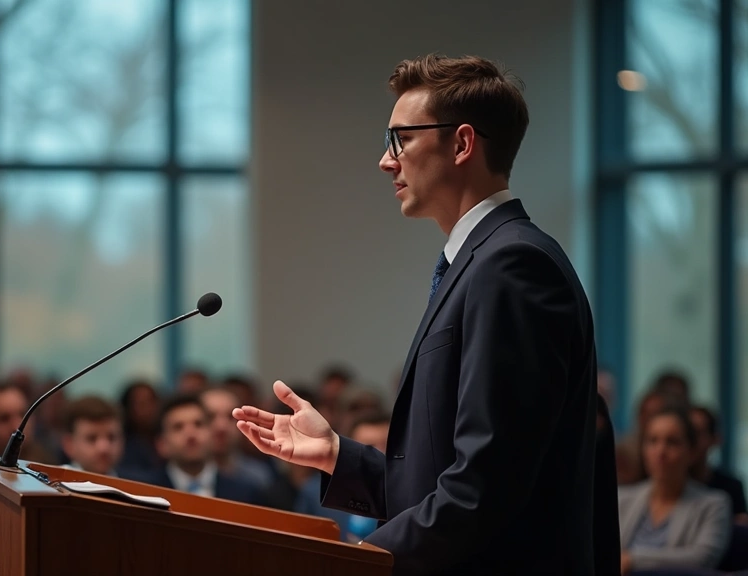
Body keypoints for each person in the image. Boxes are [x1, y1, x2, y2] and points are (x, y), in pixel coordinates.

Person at [233, 54, 617, 574]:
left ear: (461, 144)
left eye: (401, 139)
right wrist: (336, 455)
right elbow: (451, 476)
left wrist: (365, 558)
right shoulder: (484, 260)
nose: (386, 160)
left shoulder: (512, 266)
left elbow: (487, 484)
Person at [618, 408, 731, 574]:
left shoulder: (714, 504)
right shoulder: (621, 498)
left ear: (691, 452)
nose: (661, 451)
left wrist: (632, 559)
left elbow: (701, 557)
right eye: (652, 441)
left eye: (672, 442)